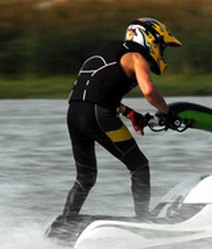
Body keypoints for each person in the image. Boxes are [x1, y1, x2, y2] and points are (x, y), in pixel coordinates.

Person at [62, 17, 182, 219]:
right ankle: (144, 220)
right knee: (139, 166)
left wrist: (130, 113)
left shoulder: (111, 49)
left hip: (75, 114)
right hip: (100, 115)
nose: (161, 53)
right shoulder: (136, 56)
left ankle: (65, 222)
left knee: (85, 176)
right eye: (161, 47)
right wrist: (169, 114)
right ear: (150, 40)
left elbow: (95, 93)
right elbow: (149, 91)